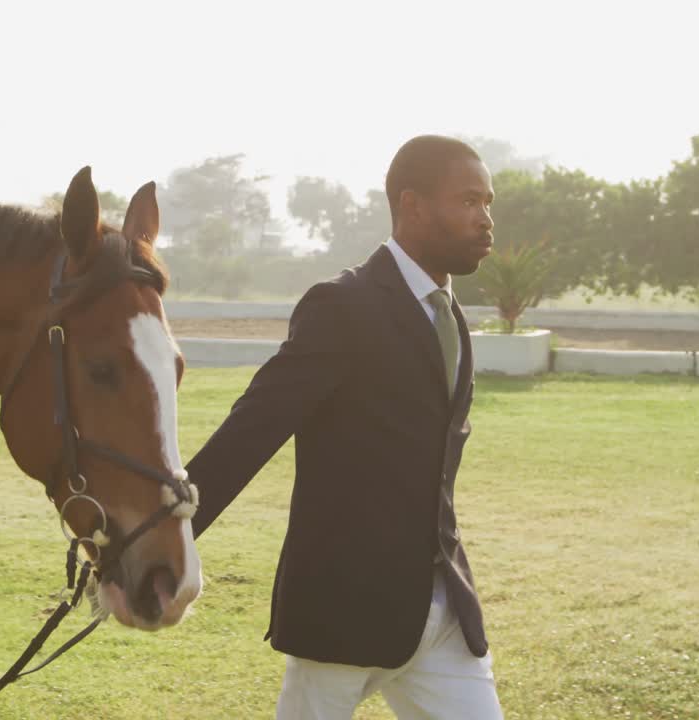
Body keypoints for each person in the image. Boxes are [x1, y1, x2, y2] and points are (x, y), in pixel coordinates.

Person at [186, 135, 503, 719]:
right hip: (343, 614)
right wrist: (166, 527)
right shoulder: (343, 305)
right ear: (412, 206)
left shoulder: (449, 312)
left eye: (487, 202)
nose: (485, 220)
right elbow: (254, 428)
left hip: (442, 616)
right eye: (467, 201)